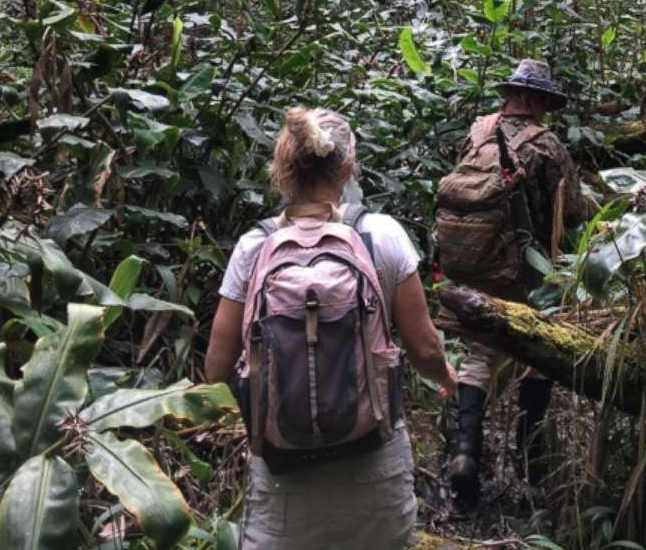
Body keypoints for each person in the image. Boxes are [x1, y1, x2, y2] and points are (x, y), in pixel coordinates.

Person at [205, 106, 457, 550]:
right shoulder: (382, 235)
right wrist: (447, 378)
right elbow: (422, 347)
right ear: (347, 166)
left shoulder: (253, 247)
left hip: (284, 478)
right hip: (374, 464)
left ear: (284, 166)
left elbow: (215, 368)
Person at [439, 59, 585, 507]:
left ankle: (465, 452)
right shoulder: (547, 144)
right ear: (538, 100)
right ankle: (530, 453)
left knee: (479, 353)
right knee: (539, 347)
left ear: (509, 96)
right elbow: (574, 212)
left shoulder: (476, 132)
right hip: (522, 269)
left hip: (470, 267)